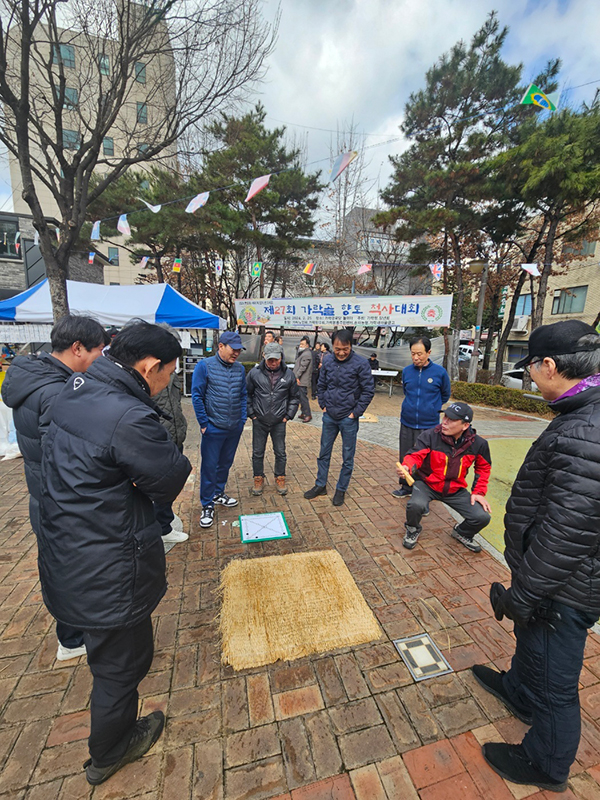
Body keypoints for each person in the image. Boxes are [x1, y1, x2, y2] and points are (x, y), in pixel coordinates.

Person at [37, 321, 191, 785]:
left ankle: (112, 736)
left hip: (69, 548)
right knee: (122, 665)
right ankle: (110, 751)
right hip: (108, 564)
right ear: (149, 366)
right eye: (168, 373)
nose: (167, 382)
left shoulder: (75, 388)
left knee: (108, 655)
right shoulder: (127, 415)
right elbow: (170, 476)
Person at [473, 320, 600, 793]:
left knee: (556, 683)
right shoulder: (583, 412)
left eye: (530, 367)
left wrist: (524, 595)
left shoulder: (586, 429)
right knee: (534, 652)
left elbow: (567, 533)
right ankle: (518, 692)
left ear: (550, 365)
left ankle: (546, 762)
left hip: (562, 585)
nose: (529, 377)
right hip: (554, 577)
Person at [1, 314, 109, 661]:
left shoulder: (32, 378)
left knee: (60, 564)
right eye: (99, 352)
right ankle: (73, 638)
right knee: (72, 569)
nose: (101, 360)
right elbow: (64, 458)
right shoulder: (59, 390)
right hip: (63, 501)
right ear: (77, 348)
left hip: (43, 494)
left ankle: (72, 632)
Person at [397, 401, 491, 551]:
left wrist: (478, 492)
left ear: (465, 425)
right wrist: (407, 466)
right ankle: (413, 528)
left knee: (482, 517)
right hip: (427, 484)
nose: (444, 423)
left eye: (451, 420)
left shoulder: (479, 444)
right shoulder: (430, 435)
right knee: (415, 505)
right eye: (445, 417)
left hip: (455, 489)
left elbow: (484, 467)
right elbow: (415, 455)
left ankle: (462, 533)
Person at [304, 329, 374, 506]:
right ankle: (320, 485)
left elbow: (368, 391)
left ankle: (341, 489)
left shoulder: (361, 363)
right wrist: (323, 405)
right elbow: (321, 384)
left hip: (348, 418)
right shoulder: (327, 360)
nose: (341, 352)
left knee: (347, 456)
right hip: (329, 416)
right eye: (337, 349)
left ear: (351, 346)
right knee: (323, 453)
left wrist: (355, 413)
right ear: (332, 346)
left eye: (345, 348)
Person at [191, 330, 247, 528]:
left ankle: (218, 493)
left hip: (234, 428)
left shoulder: (240, 369)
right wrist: (204, 424)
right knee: (209, 466)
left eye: (239, 350)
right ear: (221, 346)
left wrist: (242, 419)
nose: (237, 353)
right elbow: (196, 396)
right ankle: (207, 504)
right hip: (213, 428)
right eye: (234, 349)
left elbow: (242, 395)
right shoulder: (204, 366)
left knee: (225, 463)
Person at [393, 336, 451, 498]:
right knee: (405, 455)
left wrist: (432, 408)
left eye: (419, 354)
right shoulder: (406, 371)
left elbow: (445, 395)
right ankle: (406, 487)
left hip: (429, 424)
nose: (416, 357)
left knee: (426, 459)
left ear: (429, 352)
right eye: (413, 354)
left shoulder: (439, 373)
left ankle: (423, 494)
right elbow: (406, 391)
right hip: (407, 421)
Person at [247, 341, 300, 496]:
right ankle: (258, 478)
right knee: (257, 452)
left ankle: (280, 476)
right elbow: (246, 394)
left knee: (280, 451)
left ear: (281, 357)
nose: (273, 362)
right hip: (260, 421)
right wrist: (252, 414)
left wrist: (288, 415)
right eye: (270, 359)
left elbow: (294, 397)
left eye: (276, 359)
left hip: (279, 422)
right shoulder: (254, 373)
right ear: (264, 356)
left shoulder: (288, 375)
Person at [152, 325, 189, 546]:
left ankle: (163, 522)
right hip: (156, 442)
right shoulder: (143, 375)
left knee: (168, 488)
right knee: (156, 489)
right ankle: (162, 528)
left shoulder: (171, 373)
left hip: (175, 438)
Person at [294, 335, 313, 422]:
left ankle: (308, 414)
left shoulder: (307, 354)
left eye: (303, 344)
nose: (301, 346)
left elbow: (303, 367)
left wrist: (297, 377)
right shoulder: (303, 353)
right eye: (300, 344)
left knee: (303, 398)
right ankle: (303, 413)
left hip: (302, 380)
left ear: (307, 345)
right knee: (300, 397)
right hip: (300, 380)